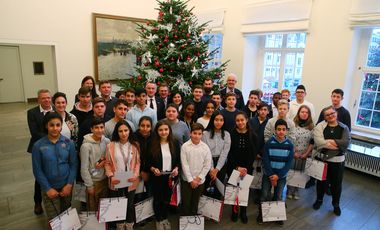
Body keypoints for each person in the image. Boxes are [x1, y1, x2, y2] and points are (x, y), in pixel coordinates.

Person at [32, 112, 78, 219]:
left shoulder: (68, 143)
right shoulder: (38, 146)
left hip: (66, 186)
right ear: (46, 126)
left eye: (58, 125)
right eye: (51, 125)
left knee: (67, 214)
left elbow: (73, 164)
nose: (55, 128)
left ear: (62, 126)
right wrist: (47, 188)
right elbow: (37, 170)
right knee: (54, 219)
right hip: (49, 187)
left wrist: (69, 184)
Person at [312, 106, 350, 216]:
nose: (330, 116)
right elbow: (319, 142)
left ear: (336, 113)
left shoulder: (344, 128)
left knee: (336, 184)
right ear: (325, 117)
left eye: (332, 113)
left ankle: (336, 204)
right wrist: (336, 144)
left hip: (338, 162)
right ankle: (319, 200)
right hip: (323, 160)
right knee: (321, 182)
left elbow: (345, 143)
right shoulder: (322, 127)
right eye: (327, 115)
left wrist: (330, 141)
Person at [257, 119, 294, 226]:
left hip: (281, 176)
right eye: (279, 129)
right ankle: (261, 214)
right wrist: (270, 174)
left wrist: (278, 176)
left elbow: (288, 163)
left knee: (278, 196)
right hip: (268, 175)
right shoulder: (269, 143)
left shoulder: (290, 145)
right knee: (264, 194)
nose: (281, 132)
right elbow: (265, 160)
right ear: (274, 130)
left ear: (287, 131)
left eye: (283, 129)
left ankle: (277, 215)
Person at [105, 120, 140, 230]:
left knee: (129, 205)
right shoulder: (111, 145)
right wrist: (111, 176)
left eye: (126, 130)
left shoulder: (135, 145)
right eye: (120, 131)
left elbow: (138, 162)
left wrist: (135, 175)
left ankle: (129, 224)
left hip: (131, 179)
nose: (124, 133)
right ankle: (119, 225)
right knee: (118, 205)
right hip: (116, 179)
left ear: (129, 130)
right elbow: (107, 163)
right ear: (117, 132)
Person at [147, 121, 180, 230]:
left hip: (170, 177)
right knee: (157, 199)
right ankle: (158, 219)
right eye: (160, 130)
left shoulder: (174, 142)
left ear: (169, 130)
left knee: (167, 199)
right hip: (157, 177)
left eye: (166, 129)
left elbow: (179, 160)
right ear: (157, 131)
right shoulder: (152, 143)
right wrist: (152, 169)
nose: (163, 132)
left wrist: (176, 168)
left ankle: (165, 218)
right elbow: (146, 162)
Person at [227, 111, 258, 224]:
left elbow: (253, 153)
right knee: (233, 190)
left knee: (244, 191)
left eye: (242, 120)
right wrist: (237, 167)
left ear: (246, 120)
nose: (240, 122)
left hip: (247, 168)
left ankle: (243, 212)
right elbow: (229, 153)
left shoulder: (252, 134)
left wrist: (245, 168)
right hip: (234, 167)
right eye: (237, 120)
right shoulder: (231, 134)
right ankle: (234, 211)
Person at [27, 89, 53, 215]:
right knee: (40, 175)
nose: (47, 100)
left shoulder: (56, 110)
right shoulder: (32, 113)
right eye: (43, 98)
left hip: (55, 147)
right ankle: (37, 202)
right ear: (38, 100)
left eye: (48, 97)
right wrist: (52, 138)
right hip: (40, 147)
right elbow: (35, 133)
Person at [180, 123, 212, 215]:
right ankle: (185, 221)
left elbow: (207, 165)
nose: (197, 136)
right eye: (194, 133)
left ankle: (193, 221)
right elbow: (184, 164)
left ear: (202, 134)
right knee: (186, 202)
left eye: (199, 134)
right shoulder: (185, 147)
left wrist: (198, 179)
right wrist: (191, 180)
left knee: (196, 202)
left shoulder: (205, 147)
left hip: (199, 181)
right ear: (190, 133)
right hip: (187, 180)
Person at [80, 117, 110, 211]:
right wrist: (89, 185)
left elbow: (109, 160)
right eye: (96, 128)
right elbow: (84, 168)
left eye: (101, 127)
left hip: (105, 179)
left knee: (105, 208)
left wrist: (104, 162)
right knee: (94, 209)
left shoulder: (107, 141)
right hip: (94, 182)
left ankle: (105, 226)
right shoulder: (86, 146)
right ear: (91, 129)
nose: (99, 130)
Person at [287, 105, 314, 200]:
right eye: (302, 112)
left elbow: (312, 142)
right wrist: (293, 152)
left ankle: (297, 189)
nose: (304, 114)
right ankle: (290, 189)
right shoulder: (292, 124)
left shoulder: (311, 127)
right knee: (291, 171)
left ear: (309, 115)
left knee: (300, 172)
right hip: (293, 152)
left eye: (306, 112)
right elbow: (289, 139)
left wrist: (306, 154)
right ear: (298, 113)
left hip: (305, 154)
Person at [202, 110, 231, 198]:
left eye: (221, 120)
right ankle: (205, 210)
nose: (219, 122)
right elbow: (207, 152)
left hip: (221, 164)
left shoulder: (226, 134)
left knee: (218, 189)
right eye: (216, 120)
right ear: (212, 120)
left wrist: (217, 169)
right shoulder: (205, 134)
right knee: (208, 187)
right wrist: (211, 169)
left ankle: (216, 210)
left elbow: (224, 153)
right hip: (207, 162)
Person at [134, 116, 153, 198]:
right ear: (139, 126)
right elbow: (133, 157)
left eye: (148, 126)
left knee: (150, 196)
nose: (145, 128)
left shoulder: (155, 137)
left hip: (151, 172)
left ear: (151, 127)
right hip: (137, 172)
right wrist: (141, 171)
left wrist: (148, 171)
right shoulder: (133, 137)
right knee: (138, 197)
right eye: (142, 126)